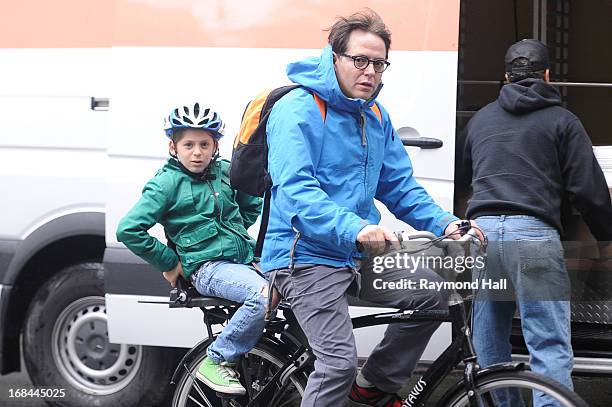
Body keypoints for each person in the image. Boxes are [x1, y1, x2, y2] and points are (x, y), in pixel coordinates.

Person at [262, 9, 479, 407]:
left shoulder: (375, 115)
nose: (370, 71)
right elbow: (295, 191)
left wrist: (447, 224)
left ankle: (372, 388)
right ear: (334, 58)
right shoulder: (297, 109)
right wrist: (355, 227)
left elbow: (398, 186)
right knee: (337, 363)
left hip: (357, 251)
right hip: (304, 254)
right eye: (359, 60)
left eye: (379, 63)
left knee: (431, 296)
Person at [460, 39, 612, 406]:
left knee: (489, 342)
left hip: (483, 236)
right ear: (547, 75)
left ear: (505, 76)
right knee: (547, 341)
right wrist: (607, 237)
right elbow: (587, 189)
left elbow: (465, 178)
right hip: (532, 235)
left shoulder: (480, 120)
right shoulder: (562, 121)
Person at [116, 103, 266, 396]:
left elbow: (251, 204)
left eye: (204, 144)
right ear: (173, 146)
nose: (196, 152)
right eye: (188, 144)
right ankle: (216, 359)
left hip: (242, 260)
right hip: (206, 269)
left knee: (298, 280)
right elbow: (128, 229)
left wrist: (233, 234)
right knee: (259, 298)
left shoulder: (225, 172)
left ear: (215, 146)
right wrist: (170, 263)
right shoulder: (166, 184)